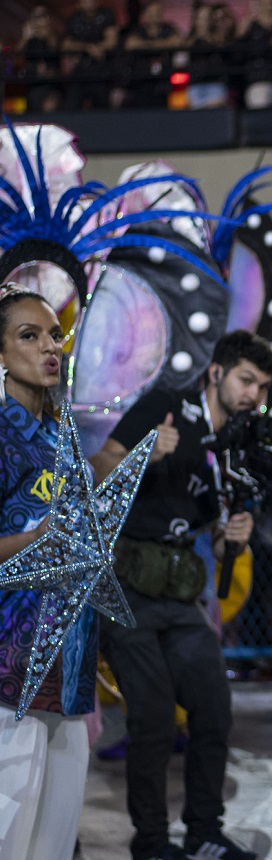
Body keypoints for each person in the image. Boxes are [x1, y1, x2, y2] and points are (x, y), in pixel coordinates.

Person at [89, 330, 272, 860]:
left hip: (179, 592)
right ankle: (149, 842)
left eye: (262, 386)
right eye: (246, 380)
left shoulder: (234, 444)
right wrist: (142, 454)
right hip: (126, 587)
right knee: (150, 719)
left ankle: (203, 834)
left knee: (213, 709)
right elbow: (101, 465)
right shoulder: (166, 405)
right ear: (216, 372)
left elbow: (214, 537)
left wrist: (229, 536)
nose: (253, 395)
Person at [0, 286, 84, 860]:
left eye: (54, 334)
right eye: (29, 336)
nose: (49, 347)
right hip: (8, 668)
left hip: (69, 661)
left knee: (53, 843)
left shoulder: (64, 436)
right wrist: (33, 542)